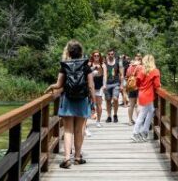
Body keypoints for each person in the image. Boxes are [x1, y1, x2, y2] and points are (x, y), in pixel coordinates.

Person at [45, 40, 93, 168]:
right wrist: (92, 102)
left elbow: (59, 84)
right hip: (82, 100)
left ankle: (66, 158)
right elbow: (91, 85)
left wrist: (51, 87)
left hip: (68, 99)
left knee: (68, 130)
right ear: (81, 52)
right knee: (79, 129)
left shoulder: (64, 65)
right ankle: (77, 157)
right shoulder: (85, 65)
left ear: (69, 52)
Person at [132, 54, 160, 142]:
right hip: (148, 94)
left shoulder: (142, 71)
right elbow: (157, 85)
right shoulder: (155, 71)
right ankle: (135, 133)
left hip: (142, 93)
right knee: (142, 114)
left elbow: (137, 82)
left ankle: (144, 131)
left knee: (151, 110)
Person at [103, 48, 123, 123]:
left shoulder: (118, 62)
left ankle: (115, 114)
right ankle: (109, 116)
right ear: (107, 55)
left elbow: (121, 75)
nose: (110, 55)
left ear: (114, 54)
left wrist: (121, 85)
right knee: (108, 100)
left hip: (116, 83)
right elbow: (104, 75)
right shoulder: (105, 63)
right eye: (109, 54)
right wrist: (104, 84)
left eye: (112, 54)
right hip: (108, 84)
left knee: (115, 99)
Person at [88, 50, 105, 127]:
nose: (96, 57)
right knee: (90, 103)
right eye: (95, 55)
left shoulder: (103, 65)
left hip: (99, 86)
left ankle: (98, 121)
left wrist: (104, 85)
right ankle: (87, 122)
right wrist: (92, 68)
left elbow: (104, 75)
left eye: (98, 55)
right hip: (91, 86)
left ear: (100, 56)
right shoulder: (89, 64)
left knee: (99, 104)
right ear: (92, 56)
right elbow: (86, 73)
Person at [124, 53, 142, 125]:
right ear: (140, 59)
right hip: (139, 87)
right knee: (138, 105)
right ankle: (138, 121)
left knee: (131, 104)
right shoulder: (141, 67)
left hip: (131, 87)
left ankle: (130, 120)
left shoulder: (130, 66)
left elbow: (127, 76)